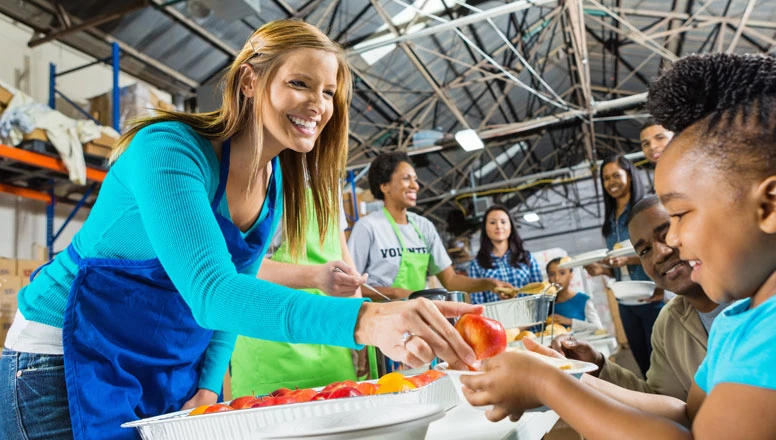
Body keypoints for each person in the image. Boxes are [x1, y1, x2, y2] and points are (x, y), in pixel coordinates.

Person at [0, 21, 482, 440]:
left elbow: (238, 293)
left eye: (329, 92)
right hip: (59, 357)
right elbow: (213, 291)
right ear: (250, 80)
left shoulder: (269, 187)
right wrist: (367, 321)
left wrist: (208, 385)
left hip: (153, 365)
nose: (318, 104)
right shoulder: (169, 151)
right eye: (300, 83)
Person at [460, 53, 776, 438]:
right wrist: (570, 376)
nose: (673, 240)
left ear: (770, 205)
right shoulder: (744, 318)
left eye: (679, 216)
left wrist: (545, 385)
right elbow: (685, 415)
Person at [550, 195, 724, 402]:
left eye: (667, 234)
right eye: (645, 250)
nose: (660, 254)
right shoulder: (669, 323)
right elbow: (662, 402)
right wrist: (596, 365)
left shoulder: (757, 300)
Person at [231, 191, 369, 396]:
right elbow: (235, 270)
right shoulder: (253, 177)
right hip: (272, 359)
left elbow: (343, 257)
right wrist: (314, 276)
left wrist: (361, 327)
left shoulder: (328, 181)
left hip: (333, 351)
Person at [348, 152, 512, 301]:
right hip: (381, 319)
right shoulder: (368, 227)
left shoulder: (423, 226)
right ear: (385, 186)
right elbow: (349, 284)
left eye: (415, 179)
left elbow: (451, 280)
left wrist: (489, 284)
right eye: (406, 178)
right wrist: (396, 293)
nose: (415, 186)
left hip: (417, 316)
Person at [587, 153, 664, 376]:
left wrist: (628, 259)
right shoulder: (611, 219)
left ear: (629, 175)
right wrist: (602, 269)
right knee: (644, 367)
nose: (611, 182)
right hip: (626, 303)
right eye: (605, 178)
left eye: (616, 175)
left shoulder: (644, 209)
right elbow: (618, 266)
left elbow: (658, 249)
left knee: (663, 365)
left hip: (652, 297)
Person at [467, 205, 543, 305]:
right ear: (485, 228)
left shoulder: (527, 258)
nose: (498, 226)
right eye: (492, 222)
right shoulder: (476, 265)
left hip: (529, 318)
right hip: (495, 319)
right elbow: (478, 303)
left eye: (503, 222)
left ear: (511, 226)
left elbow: (540, 292)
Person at [545, 257, 604, 333]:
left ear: (571, 275)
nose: (557, 278)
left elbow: (598, 328)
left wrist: (570, 322)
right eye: (552, 274)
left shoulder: (583, 300)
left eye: (562, 273)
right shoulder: (545, 302)